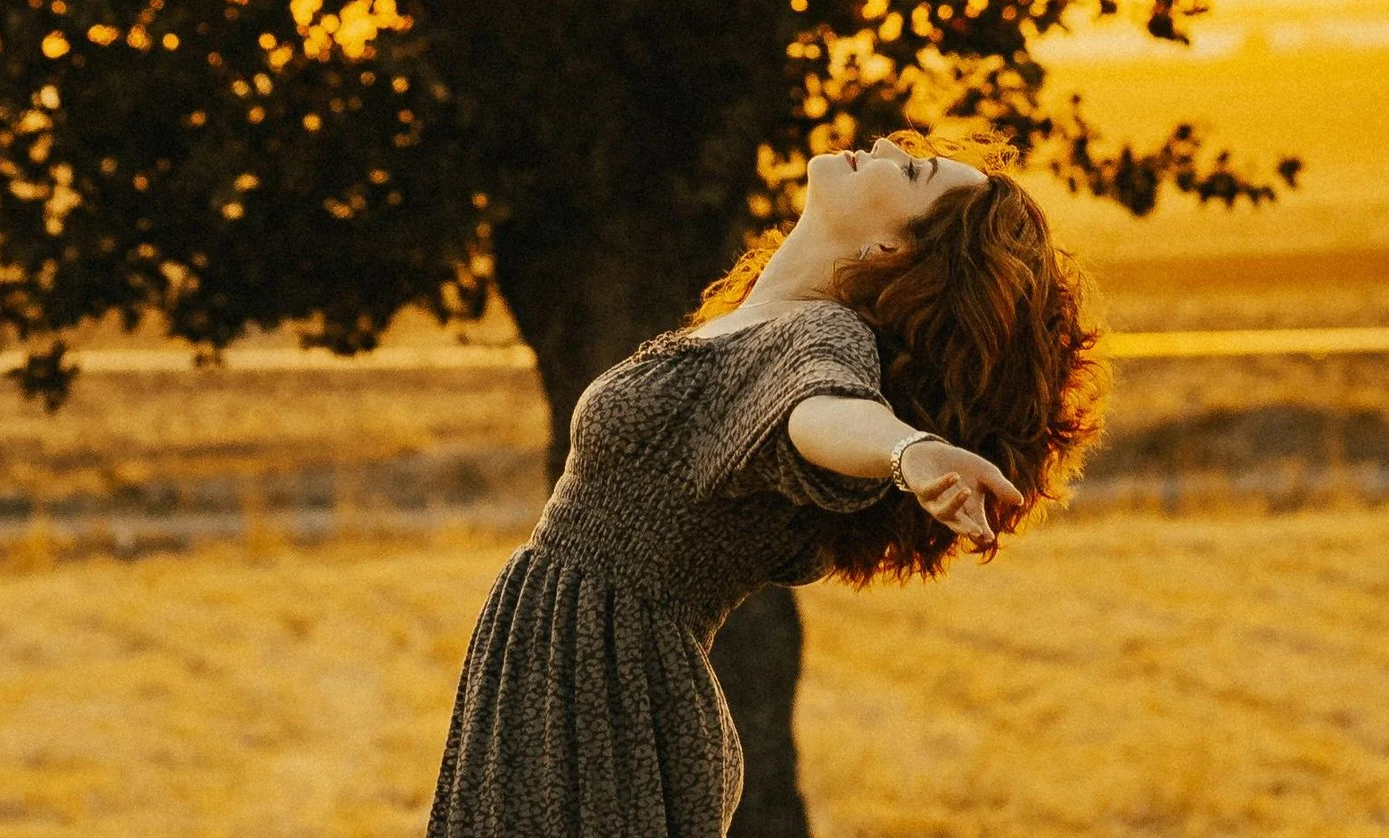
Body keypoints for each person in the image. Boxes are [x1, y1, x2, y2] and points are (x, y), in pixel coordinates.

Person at [425, 133, 1105, 836]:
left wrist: (906, 451)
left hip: (611, 706)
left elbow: (821, 411)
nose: (877, 145)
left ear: (890, 251)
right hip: (570, 683)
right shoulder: (750, 324)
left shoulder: (819, 336)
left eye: (908, 171)